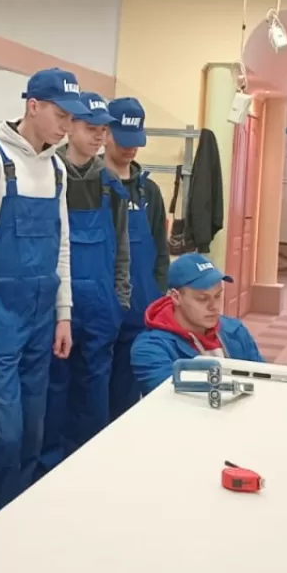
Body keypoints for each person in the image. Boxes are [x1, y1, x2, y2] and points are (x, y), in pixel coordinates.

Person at [0, 67, 81, 528]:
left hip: (42, 319)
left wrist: (63, 314)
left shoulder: (57, 169)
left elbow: (62, 246)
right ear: (33, 105)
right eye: (61, 115)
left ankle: (14, 528)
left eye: (71, 118)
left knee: (31, 435)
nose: (67, 127)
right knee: (3, 438)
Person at [38, 92, 130, 474]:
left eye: (103, 131)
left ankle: (88, 473)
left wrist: (120, 301)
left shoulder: (111, 185)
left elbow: (121, 249)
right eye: (91, 128)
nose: (99, 137)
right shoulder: (46, 175)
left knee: (93, 399)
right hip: (55, 308)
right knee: (53, 394)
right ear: (70, 126)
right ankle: (47, 474)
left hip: (99, 309)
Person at [103, 97, 169, 418]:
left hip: (139, 316)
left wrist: (156, 299)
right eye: (123, 140)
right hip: (100, 313)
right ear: (105, 133)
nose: (130, 148)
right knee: (91, 404)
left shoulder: (149, 192)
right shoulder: (91, 186)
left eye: (136, 141)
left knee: (126, 406)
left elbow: (161, 252)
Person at [130, 253, 263, 395]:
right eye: (202, 298)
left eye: (218, 296)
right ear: (176, 297)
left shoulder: (236, 331)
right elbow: (174, 398)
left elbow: (263, 381)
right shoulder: (150, 348)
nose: (214, 306)